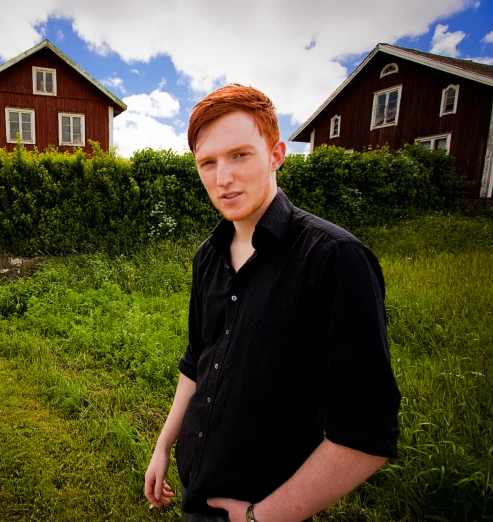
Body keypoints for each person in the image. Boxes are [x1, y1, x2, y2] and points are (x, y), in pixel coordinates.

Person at [144, 84, 401, 522]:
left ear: (277, 154)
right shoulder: (208, 255)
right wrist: (162, 446)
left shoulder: (333, 259)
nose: (222, 178)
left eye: (240, 155)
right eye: (207, 162)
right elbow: (196, 361)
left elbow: (366, 433)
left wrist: (261, 517)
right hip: (196, 495)